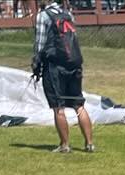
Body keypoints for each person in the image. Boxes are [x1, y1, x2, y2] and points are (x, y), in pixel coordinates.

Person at [31, 0, 94, 154]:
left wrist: (36, 64)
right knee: (79, 105)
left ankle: (65, 145)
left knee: (58, 107)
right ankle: (89, 143)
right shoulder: (68, 14)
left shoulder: (43, 16)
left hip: (55, 67)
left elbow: (40, 44)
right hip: (73, 64)